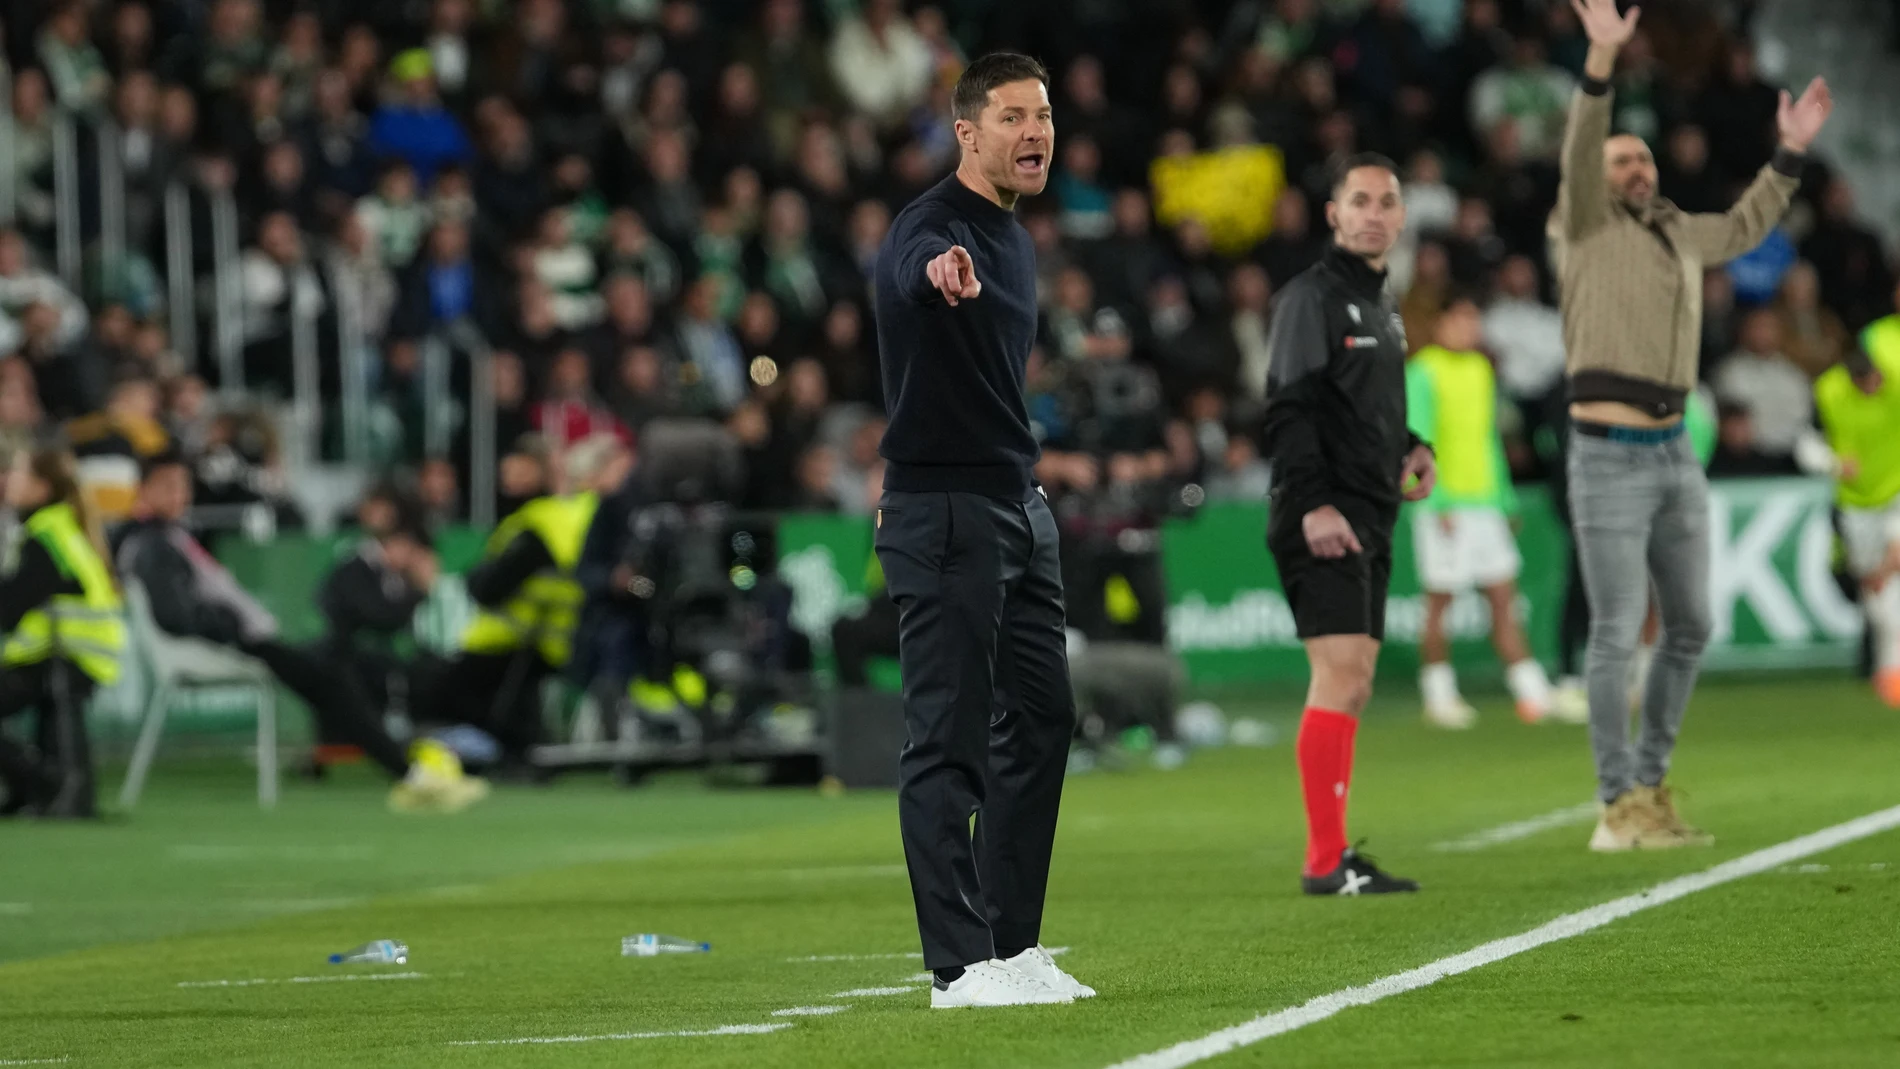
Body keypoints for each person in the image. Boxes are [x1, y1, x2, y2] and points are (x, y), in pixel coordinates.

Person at [1554, 0, 1830, 852]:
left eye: (1641, 156)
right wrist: (1601, 62)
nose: (1634, 165)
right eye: (1619, 158)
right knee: (1612, 630)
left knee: (1692, 626)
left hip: (1674, 451)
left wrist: (1789, 152)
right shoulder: (1585, 222)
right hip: (1606, 451)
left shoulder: (1676, 232)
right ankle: (1614, 806)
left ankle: (1650, 782)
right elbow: (1582, 142)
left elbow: (1745, 226)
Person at [871, 53, 1091, 1009]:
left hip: (1017, 501)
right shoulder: (936, 229)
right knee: (947, 742)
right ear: (968, 132)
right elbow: (910, 271)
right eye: (1013, 117)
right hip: (947, 509)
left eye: (1043, 115)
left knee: (1042, 719)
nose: (1035, 132)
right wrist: (936, 275)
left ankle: (1012, 947)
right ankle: (957, 968)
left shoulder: (1013, 235)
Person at [115, 452, 484, 813]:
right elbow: (174, 615)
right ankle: (408, 773)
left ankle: (407, 771)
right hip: (216, 648)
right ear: (143, 491)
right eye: (167, 486)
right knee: (330, 677)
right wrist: (232, 626)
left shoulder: (167, 538)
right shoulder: (152, 543)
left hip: (234, 642)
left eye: (183, 486)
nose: (179, 495)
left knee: (331, 671)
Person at [1261, 152, 1438, 897]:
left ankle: (1331, 855)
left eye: (1386, 202)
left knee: (1355, 679)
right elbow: (1290, 404)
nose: (1374, 213)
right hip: (1324, 512)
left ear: (1401, 217)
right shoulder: (1313, 297)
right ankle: (1324, 860)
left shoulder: (1381, 300)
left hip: (1372, 508)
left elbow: (1361, 407)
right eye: (1359, 200)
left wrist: (1411, 448)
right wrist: (1313, 505)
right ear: (1333, 214)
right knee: (1338, 675)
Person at [412, 435, 618, 765]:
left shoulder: (545, 519)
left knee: (442, 690)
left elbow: (489, 584)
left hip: (532, 639)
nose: (509, 477)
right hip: (548, 636)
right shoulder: (543, 517)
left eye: (520, 469)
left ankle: (489, 754)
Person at [1405, 294, 1559, 729]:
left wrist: (1504, 500)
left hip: (1485, 505)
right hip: (1445, 505)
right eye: (1460, 320)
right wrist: (1435, 502)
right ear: (1440, 324)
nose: (1468, 330)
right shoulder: (1422, 372)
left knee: (1503, 598)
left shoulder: (1480, 371)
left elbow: (1488, 442)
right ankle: (1439, 696)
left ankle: (1531, 692)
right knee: (1440, 602)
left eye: (1473, 322)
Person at [0, 447, 124, 817]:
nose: (9, 481)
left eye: (19, 475)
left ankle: (40, 782)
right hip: (76, 657)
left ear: (41, 488)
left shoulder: (45, 537)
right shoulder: (60, 528)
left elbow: (8, 609)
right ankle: (32, 790)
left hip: (62, 658)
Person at [1805, 340, 1900, 707]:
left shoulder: (1895, 384)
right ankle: (1885, 669)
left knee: (1891, 567)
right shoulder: (1828, 391)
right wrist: (1833, 463)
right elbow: (1806, 444)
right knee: (1874, 587)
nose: (1871, 386)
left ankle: (1891, 668)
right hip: (1857, 504)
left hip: (1896, 492)